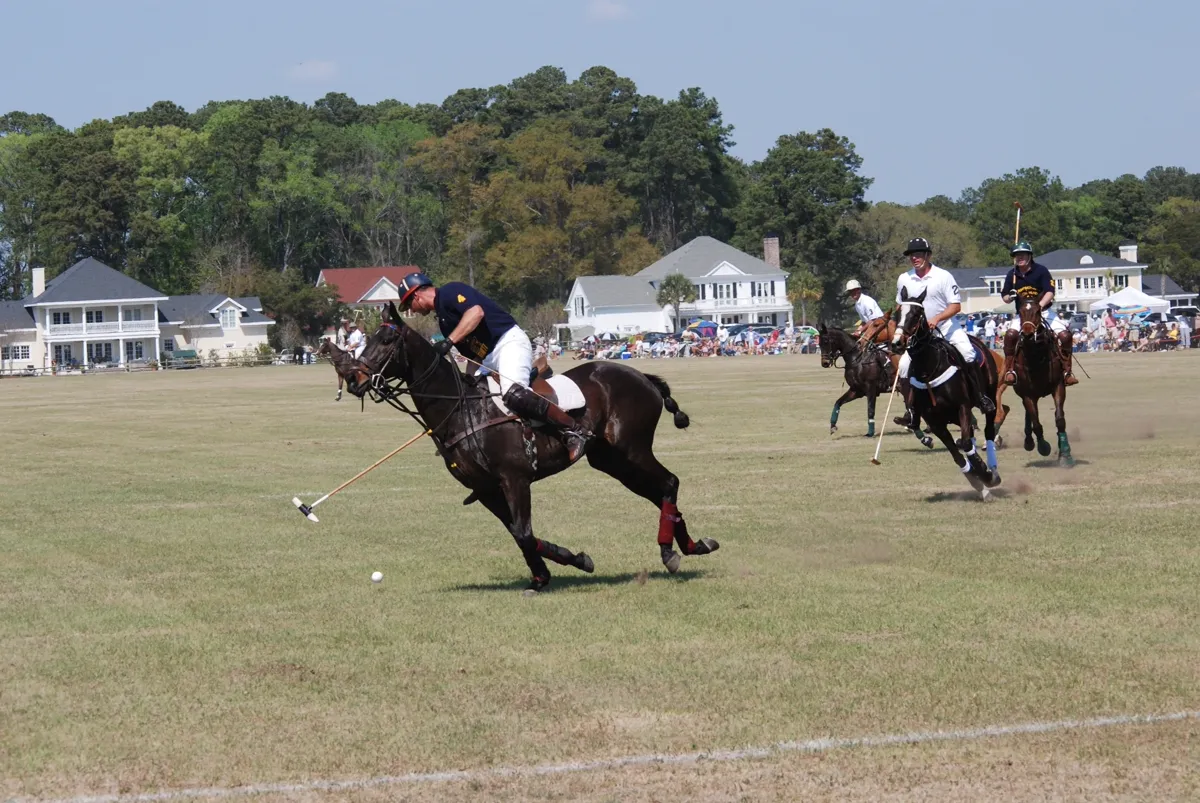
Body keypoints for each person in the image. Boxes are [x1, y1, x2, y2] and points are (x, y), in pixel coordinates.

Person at [397, 272, 591, 462]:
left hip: (507, 341)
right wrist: (468, 382)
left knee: (514, 393)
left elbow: (476, 313)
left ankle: (574, 430)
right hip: (488, 358)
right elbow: (472, 356)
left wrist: (448, 342)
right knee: (471, 400)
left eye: (409, 305)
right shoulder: (443, 321)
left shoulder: (449, 292)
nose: (412, 310)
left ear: (416, 295)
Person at [894, 237, 995, 424]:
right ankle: (912, 411)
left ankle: (981, 397)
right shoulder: (904, 279)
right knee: (904, 366)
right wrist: (902, 330)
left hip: (946, 328)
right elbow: (900, 307)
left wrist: (937, 318)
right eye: (911, 255)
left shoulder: (943, 276)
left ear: (928, 255)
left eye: (918, 254)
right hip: (919, 336)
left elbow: (955, 306)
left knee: (968, 353)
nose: (914, 258)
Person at [1000, 242, 1076, 385]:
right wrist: (1010, 296)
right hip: (1023, 315)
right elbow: (1004, 297)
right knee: (1010, 336)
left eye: (1023, 255)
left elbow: (1050, 292)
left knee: (1065, 336)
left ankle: (1067, 371)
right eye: (1017, 255)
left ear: (1030, 256)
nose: (1020, 258)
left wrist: (1038, 306)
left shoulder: (1041, 271)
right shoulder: (1012, 274)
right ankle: (1010, 370)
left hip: (1044, 312)